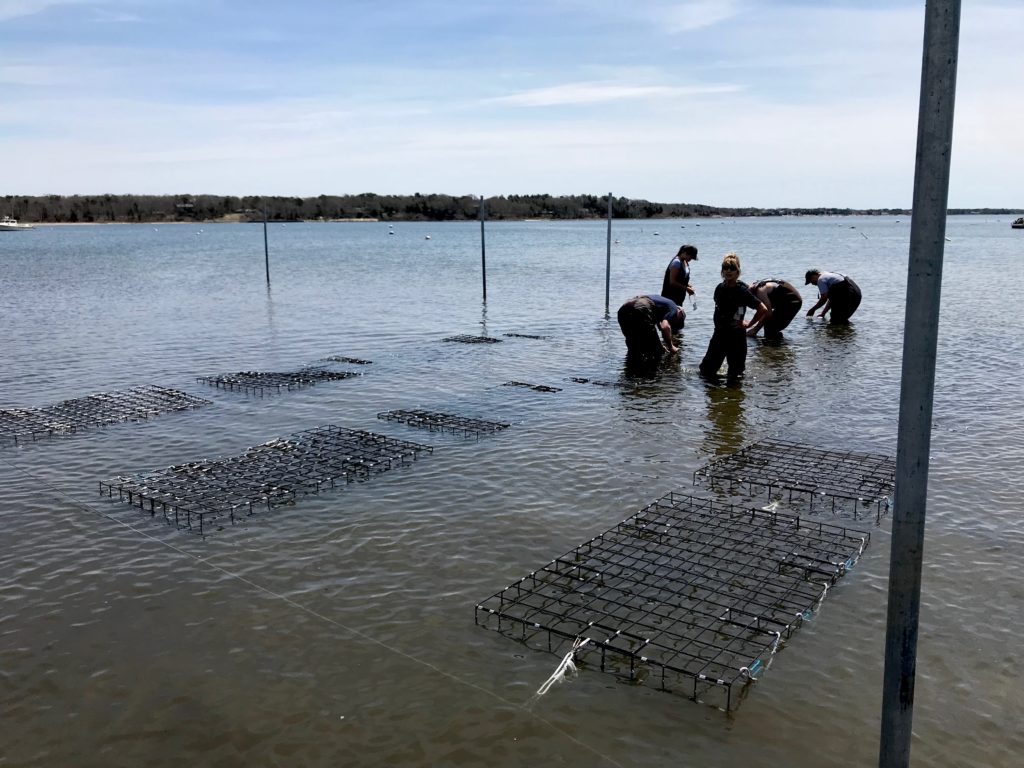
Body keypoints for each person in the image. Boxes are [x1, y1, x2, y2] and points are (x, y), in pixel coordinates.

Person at [698, 253, 769, 382]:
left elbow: (762, 308)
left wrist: (749, 324)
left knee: (735, 377)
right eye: (725, 268)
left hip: (736, 337)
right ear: (722, 272)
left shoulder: (742, 291)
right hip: (719, 334)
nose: (728, 271)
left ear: (738, 272)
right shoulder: (719, 288)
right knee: (706, 372)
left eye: (732, 268)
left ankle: (733, 399)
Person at [616, 294, 685, 359]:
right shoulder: (674, 308)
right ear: (680, 312)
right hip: (641, 308)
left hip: (623, 310)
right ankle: (655, 370)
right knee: (657, 351)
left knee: (634, 348)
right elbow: (665, 327)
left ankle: (631, 370)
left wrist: (660, 344)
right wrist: (671, 347)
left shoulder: (661, 305)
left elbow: (656, 330)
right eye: (678, 321)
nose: (673, 323)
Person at [660, 245, 698, 326]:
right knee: (672, 320)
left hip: (679, 297)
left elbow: (681, 278)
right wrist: (686, 289)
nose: (690, 259)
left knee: (677, 320)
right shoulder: (676, 262)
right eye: (690, 257)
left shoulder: (685, 262)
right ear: (684, 252)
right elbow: (672, 282)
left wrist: (688, 285)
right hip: (670, 296)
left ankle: (676, 337)